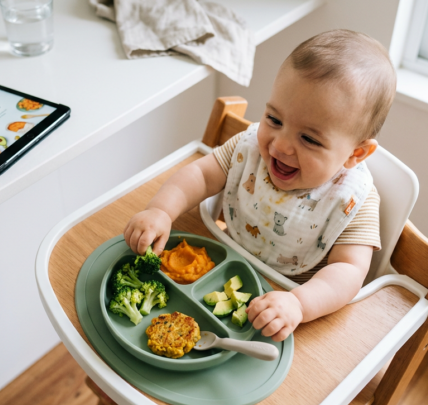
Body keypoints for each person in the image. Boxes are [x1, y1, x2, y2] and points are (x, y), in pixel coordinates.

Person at [123, 29, 397, 341]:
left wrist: (299, 304)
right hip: (221, 272)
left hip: (286, 307)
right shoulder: (250, 148)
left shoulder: (353, 201)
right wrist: (161, 211)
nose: (280, 145)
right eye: (274, 120)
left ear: (355, 154)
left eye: (308, 138)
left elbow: (348, 273)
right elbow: (199, 176)